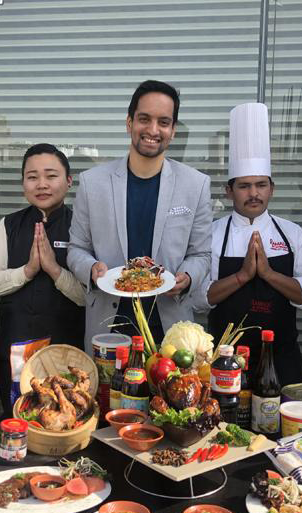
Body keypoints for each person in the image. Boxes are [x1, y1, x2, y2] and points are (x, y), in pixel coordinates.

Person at [68, 79, 212, 347]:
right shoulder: (92, 183)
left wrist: (188, 277)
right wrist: (91, 269)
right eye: (144, 119)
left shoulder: (196, 185)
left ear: (173, 130)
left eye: (163, 122)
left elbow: (201, 254)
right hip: (108, 326)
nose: (153, 130)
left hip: (170, 329)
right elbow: (77, 248)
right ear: (129, 123)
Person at [196, 103, 302, 385]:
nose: (253, 193)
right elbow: (197, 299)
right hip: (224, 363)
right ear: (229, 191)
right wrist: (242, 276)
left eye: (261, 185)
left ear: (272, 189)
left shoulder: (292, 234)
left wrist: (268, 274)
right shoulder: (211, 235)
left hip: (282, 360)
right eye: (244, 186)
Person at [0, 143, 85, 420]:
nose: (42, 184)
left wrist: (54, 270)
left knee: (65, 422)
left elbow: (89, 296)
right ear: (23, 183)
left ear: (68, 181)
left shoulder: (82, 227)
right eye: (32, 177)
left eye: (51, 176)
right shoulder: (9, 225)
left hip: (67, 353)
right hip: (15, 351)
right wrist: (27, 271)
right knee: (17, 420)